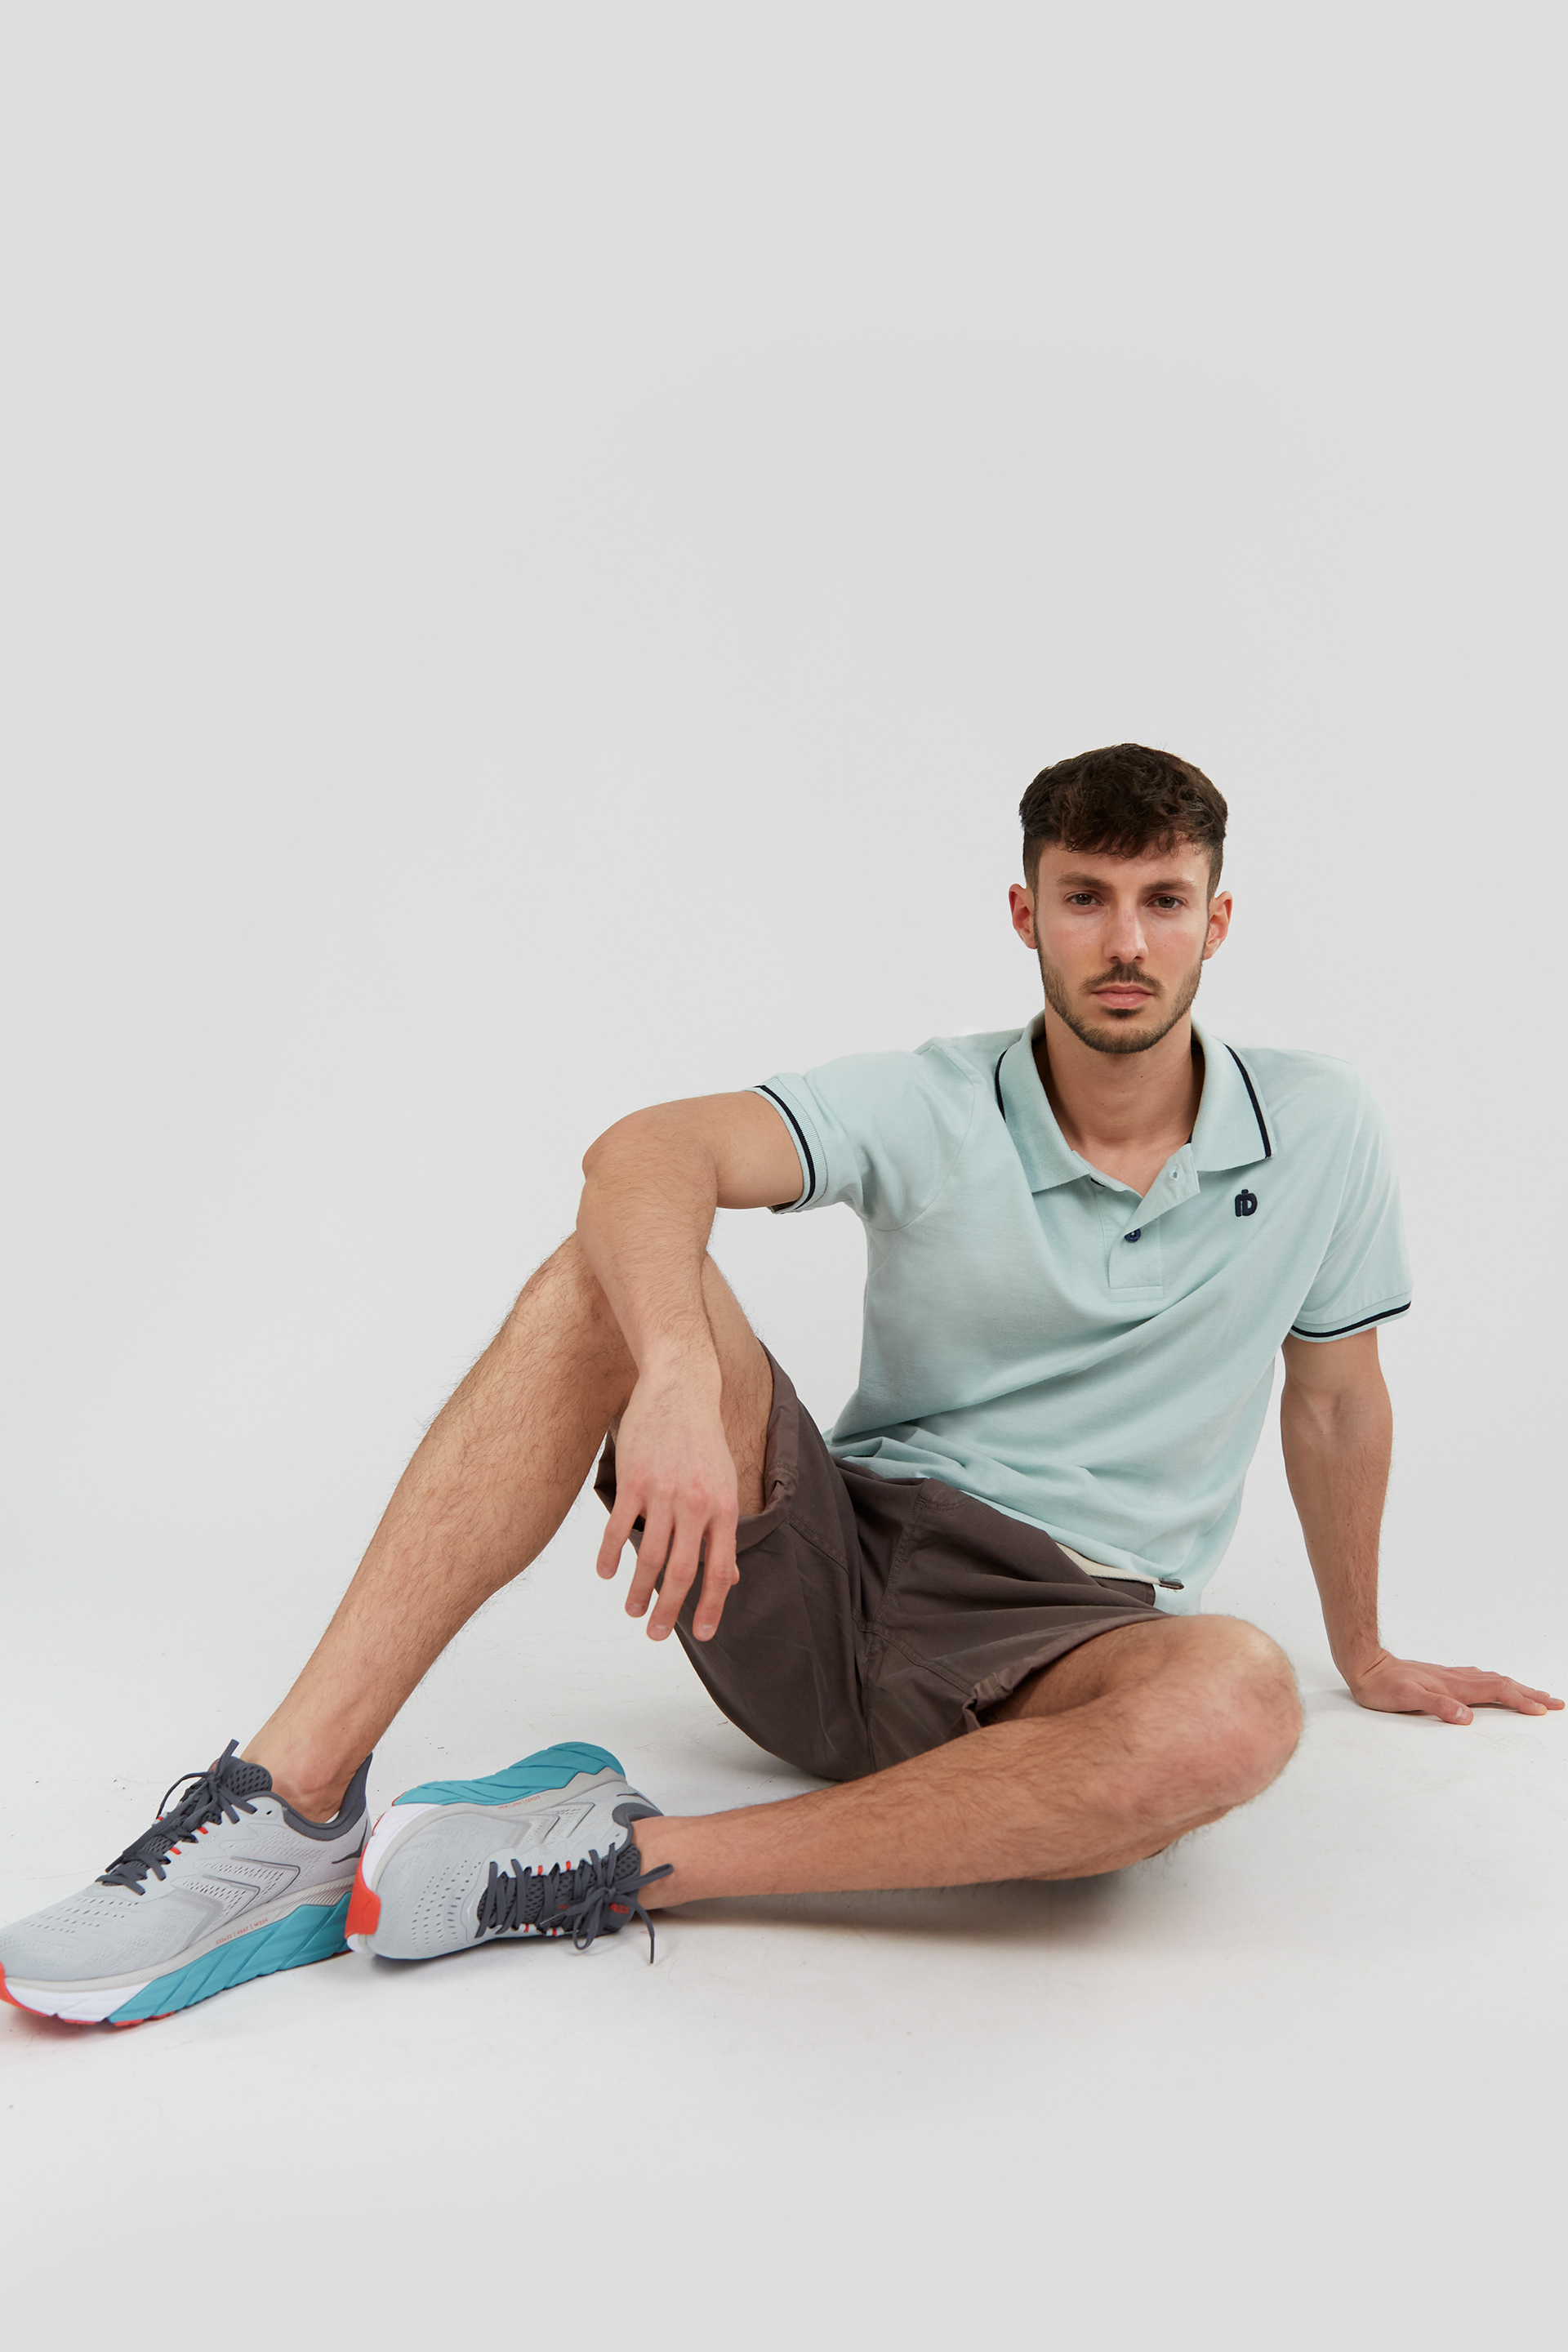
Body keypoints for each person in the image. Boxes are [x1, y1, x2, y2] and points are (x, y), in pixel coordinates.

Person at [4, 743, 1558, 2025]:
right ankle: (288, 1811)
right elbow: (647, 1151)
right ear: (1027, 914)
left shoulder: (1324, 1127)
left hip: (1061, 1642)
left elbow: (1335, 1394)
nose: (1126, 943)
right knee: (606, 1274)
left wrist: (1363, 1646)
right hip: (829, 1571)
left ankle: (615, 1862)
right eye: (1087, 899)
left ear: (1218, 921)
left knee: (1236, 1699)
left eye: (1162, 902)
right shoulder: (935, 1098)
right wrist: (678, 1372)